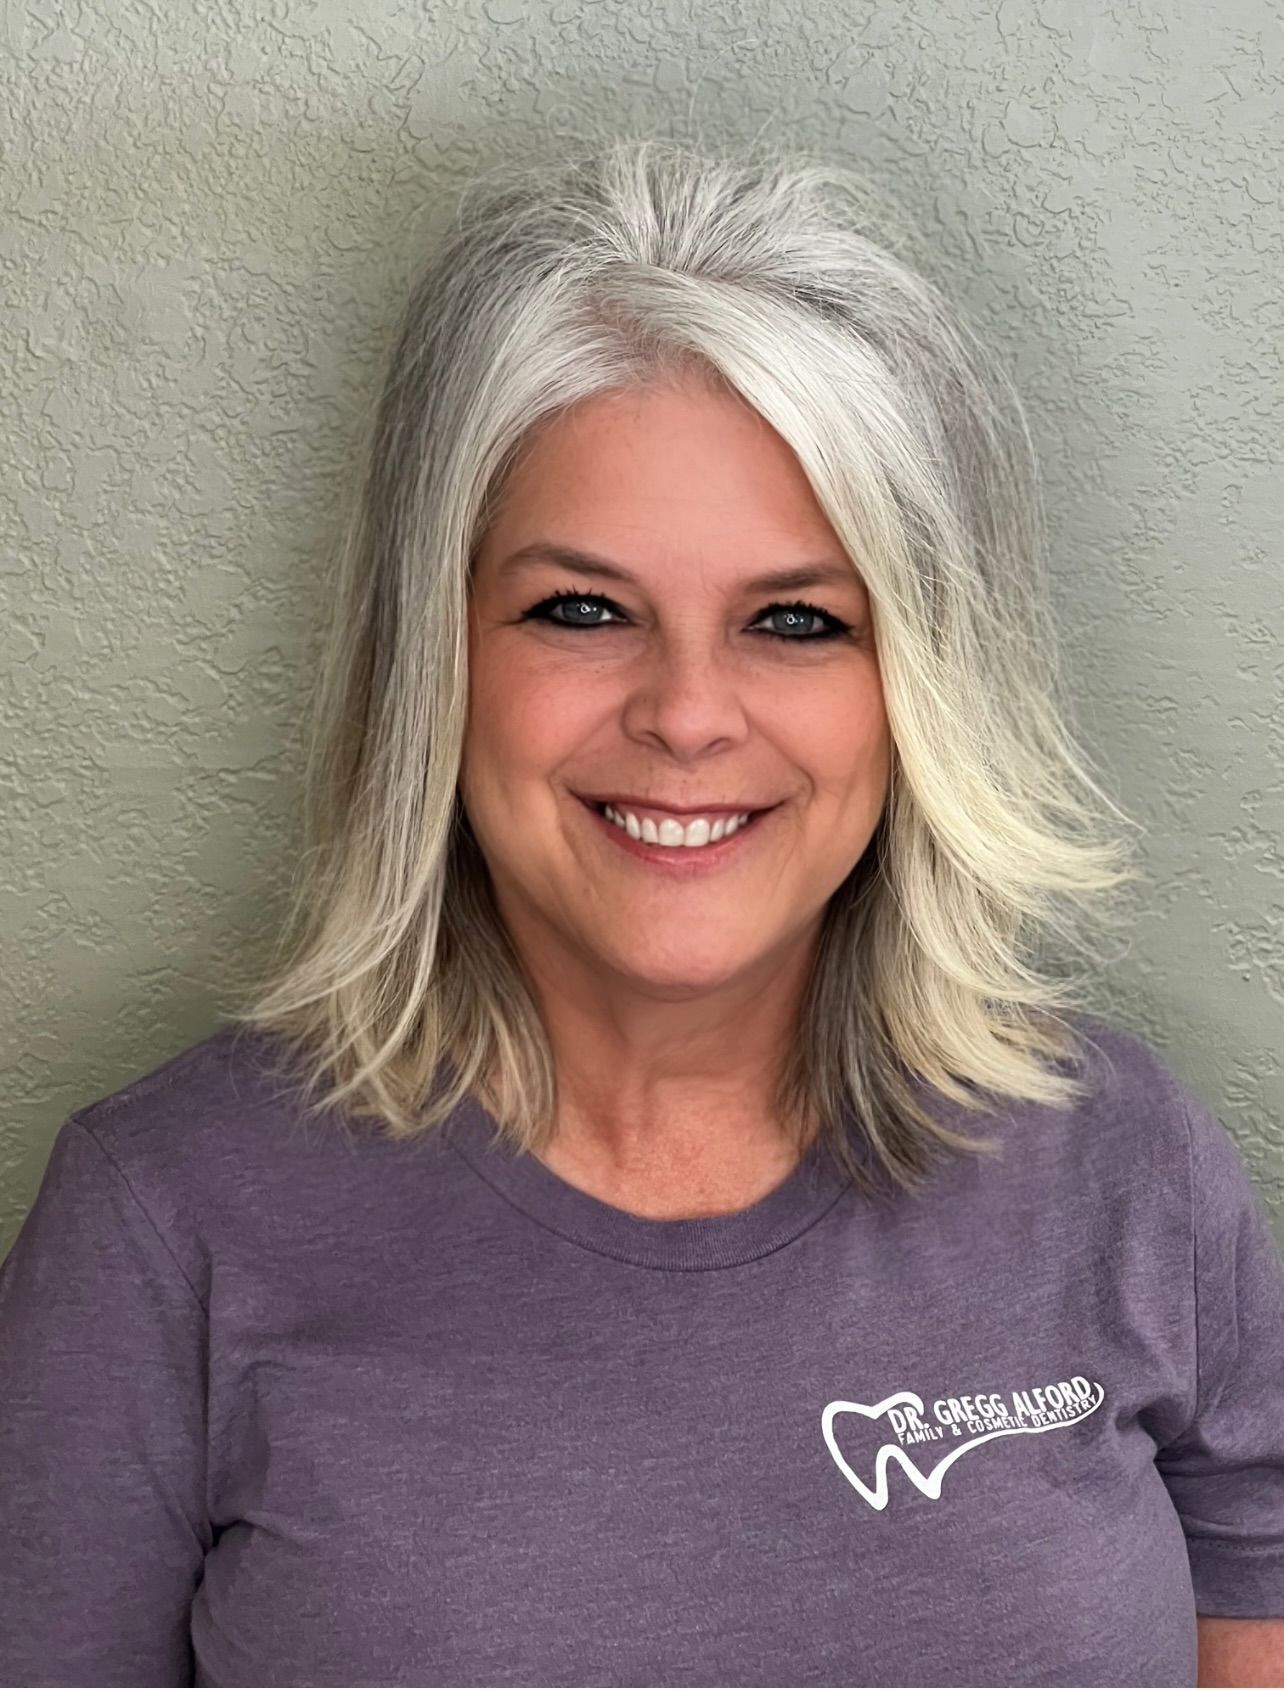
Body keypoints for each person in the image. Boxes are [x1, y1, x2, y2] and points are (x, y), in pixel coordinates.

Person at [1, 135, 1281, 1689]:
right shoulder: (163, 1225)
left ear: (923, 682)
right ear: (440, 653)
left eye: (798, 619)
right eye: (581, 610)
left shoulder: (1128, 1171)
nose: (688, 713)